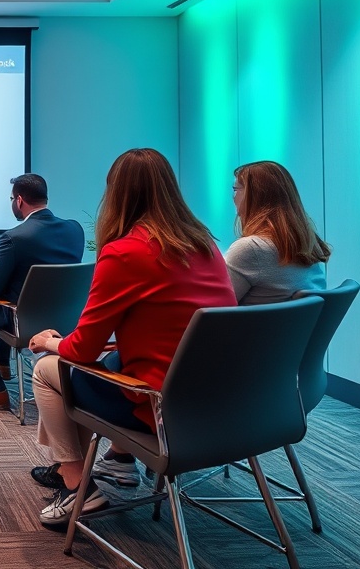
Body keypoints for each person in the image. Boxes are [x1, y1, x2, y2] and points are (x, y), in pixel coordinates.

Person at [26, 148, 236, 528]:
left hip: (164, 408)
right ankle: (119, 462)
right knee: (104, 363)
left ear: (116, 194)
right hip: (223, 400)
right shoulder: (206, 245)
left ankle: (77, 485)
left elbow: (81, 349)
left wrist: (47, 340)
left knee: (47, 369)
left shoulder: (125, 252)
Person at [0, 173, 84, 408]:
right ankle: (0, 364)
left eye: (12, 198)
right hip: (63, 319)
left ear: (20, 200)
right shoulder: (75, 230)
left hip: (22, 321)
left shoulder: (14, 237)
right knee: (10, 295)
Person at [227, 161, 330, 304]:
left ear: (254, 196)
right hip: (295, 326)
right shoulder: (310, 244)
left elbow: (214, 309)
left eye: (235, 189)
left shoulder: (250, 249)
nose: (233, 197)